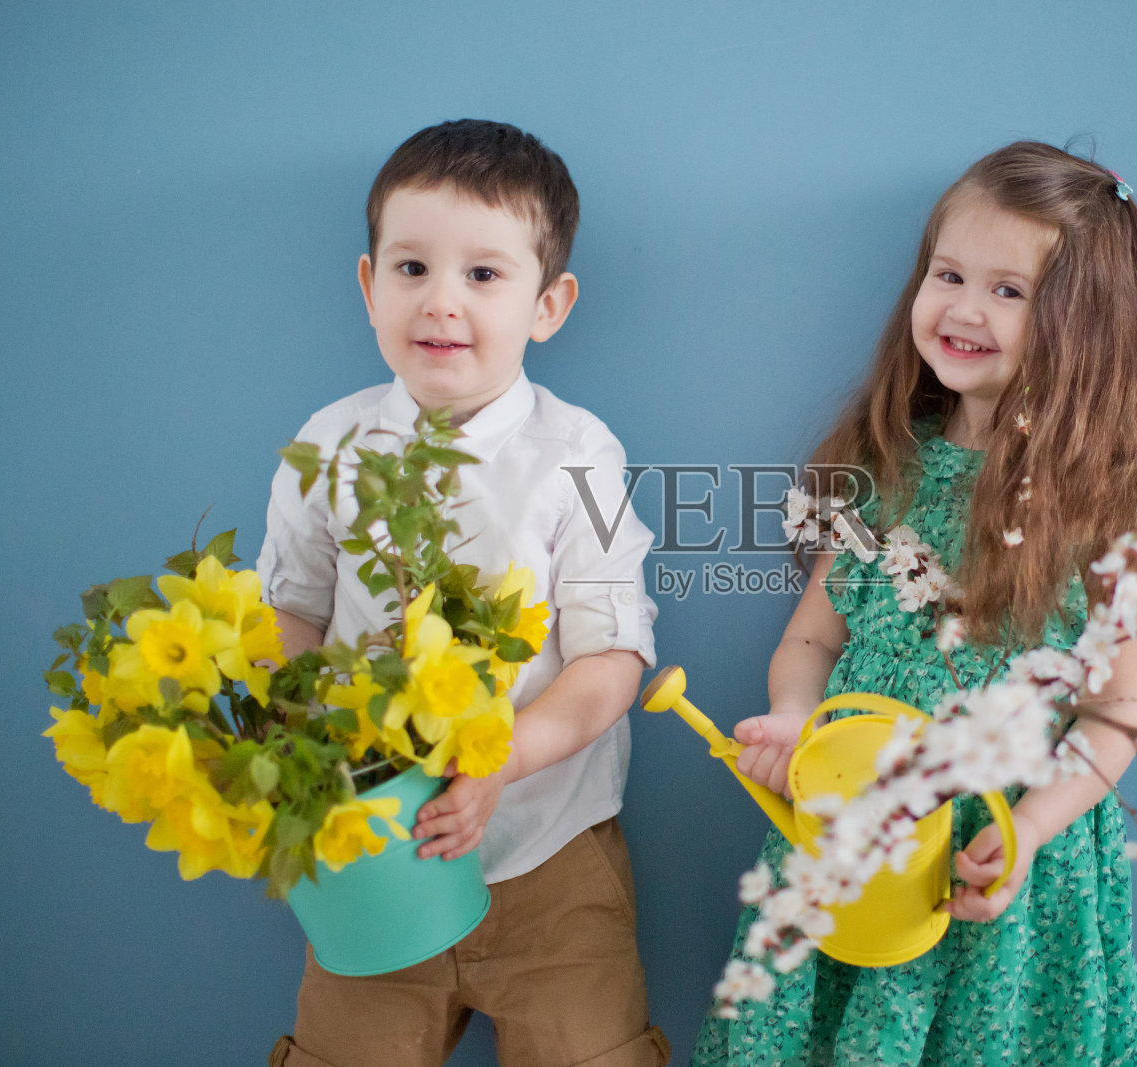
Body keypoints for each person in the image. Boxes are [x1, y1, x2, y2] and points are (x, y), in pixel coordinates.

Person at [693, 142, 1137, 1066]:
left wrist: (1032, 828)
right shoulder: (885, 465)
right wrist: (796, 722)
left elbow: (1117, 716)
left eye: (1010, 291)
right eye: (949, 274)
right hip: (853, 823)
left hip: (996, 859)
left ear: (1087, 325)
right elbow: (810, 637)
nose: (964, 308)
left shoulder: (1110, 513)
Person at [259, 119, 669, 1067]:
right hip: (372, 847)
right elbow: (291, 611)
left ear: (548, 304)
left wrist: (499, 759)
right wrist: (298, 746)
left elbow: (613, 658)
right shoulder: (330, 442)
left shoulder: (582, 456)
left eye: (483, 275)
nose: (441, 301)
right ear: (369, 286)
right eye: (411, 268)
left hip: (551, 861)